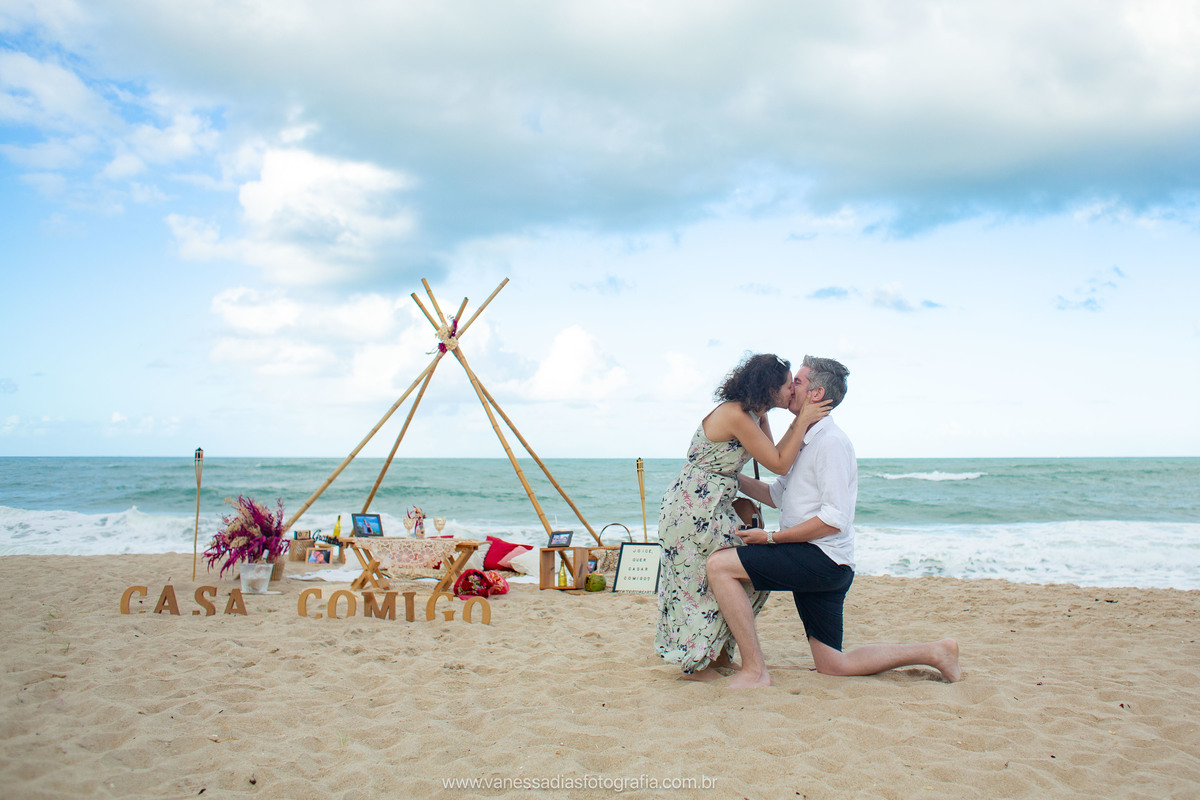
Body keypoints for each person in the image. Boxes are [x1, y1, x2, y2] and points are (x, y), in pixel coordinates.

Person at [706, 356, 962, 689]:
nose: (788, 389)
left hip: (821, 561)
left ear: (816, 393)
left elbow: (833, 519)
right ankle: (936, 652)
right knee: (833, 664)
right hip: (820, 562)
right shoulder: (807, 438)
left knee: (719, 566)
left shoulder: (831, 443)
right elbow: (779, 495)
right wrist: (723, 476)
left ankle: (755, 671)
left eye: (796, 382)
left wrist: (771, 538)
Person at [654, 353, 831, 681]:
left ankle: (720, 656)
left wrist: (789, 419)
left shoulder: (753, 413)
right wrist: (802, 420)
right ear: (768, 387)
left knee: (746, 574)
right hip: (692, 511)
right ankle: (697, 665)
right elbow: (779, 463)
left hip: (710, 509)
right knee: (696, 585)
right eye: (787, 385)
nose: (793, 390)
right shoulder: (735, 414)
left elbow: (773, 457)